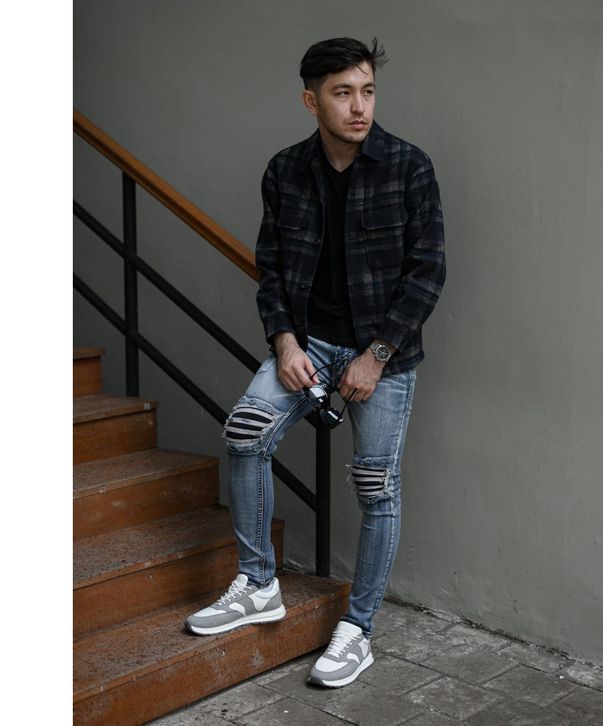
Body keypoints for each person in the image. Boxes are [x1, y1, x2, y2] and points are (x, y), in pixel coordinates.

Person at [185, 37, 446, 688]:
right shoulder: (285, 171)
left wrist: (376, 356)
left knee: (376, 488)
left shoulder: (408, 167)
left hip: (382, 353)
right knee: (246, 431)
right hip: (309, 344)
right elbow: (271, 269)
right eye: (343, 93)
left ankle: (358, 630)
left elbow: (427, 273)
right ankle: (258, 584)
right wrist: (285, 343)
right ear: (311, 101)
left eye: (368, 91)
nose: (359, 107)